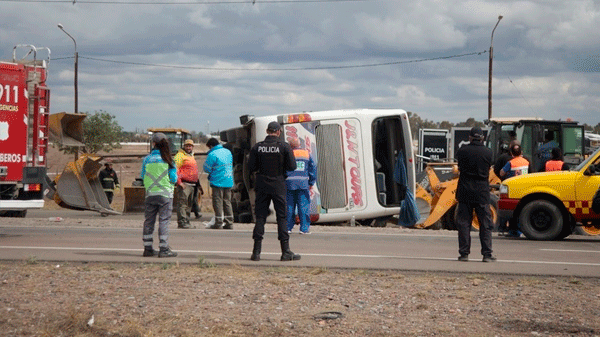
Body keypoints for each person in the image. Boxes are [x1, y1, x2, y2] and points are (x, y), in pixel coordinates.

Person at [247, 121, 300, 262]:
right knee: (281, 218)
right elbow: (292, 166)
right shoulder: (284, 146)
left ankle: (256, 252)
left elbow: (251, 167)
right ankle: (285, 251)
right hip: (278, 185)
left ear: (267, 131)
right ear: (278, 132)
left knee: (260, 218)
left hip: (262, 184)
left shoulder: (258, 147)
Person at [455, 126, 496, 263]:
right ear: (482, 138)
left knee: (464, 223)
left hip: (465, 190)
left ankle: (464, 254)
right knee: (485, 223)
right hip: (482, 191)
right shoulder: (488, 153)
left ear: (470, 138)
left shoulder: (462, 151)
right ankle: (487, 254)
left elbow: (460, 167)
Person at [140, 132, 178, 258]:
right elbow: (173, 178)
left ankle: (148, 248)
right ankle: (164, 248)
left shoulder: (146, 159)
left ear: (153, 143)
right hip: (165, 195)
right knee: (164, 221)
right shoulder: (168, 159)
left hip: (150, 194)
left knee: (149, 221)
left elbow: (142, 176)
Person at [285, 137, 316, 234]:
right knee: (303, 206)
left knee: (289, 206)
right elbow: (313, 168)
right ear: (299, 145)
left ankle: (288, 228)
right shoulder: (306, 153)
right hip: (303, 184)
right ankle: (304, 229)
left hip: (289, 183)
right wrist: (311, 182)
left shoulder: (287, 154)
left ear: (290, 145)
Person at [500, 143, 531, 238]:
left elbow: (501, 173)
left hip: (513, 188)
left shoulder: (510, 163)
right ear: (521, 152)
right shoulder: (526, 161)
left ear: (511, 153)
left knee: (513, 210)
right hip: (525, 188)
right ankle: (521, 230)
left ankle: (513, 231)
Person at [203, 138, 234, 229]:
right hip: (228, 181)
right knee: (227, 202)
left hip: (217, 182)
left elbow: (206, 169)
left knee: (218, 202)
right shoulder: (228, 152)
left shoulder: (212, 154)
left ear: (211, 146)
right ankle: (229, 223)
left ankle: (218, 222)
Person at [174, 139, 199, 229]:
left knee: (189, 205)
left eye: (190, 146)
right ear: (184, 146)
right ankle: (182, 222)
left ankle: (187, 221)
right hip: (184, 184)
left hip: (192, 184)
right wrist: (179, 182)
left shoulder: (191, 156)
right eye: (187, 146)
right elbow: (174, 169)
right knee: (182, 204)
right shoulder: (179, 156)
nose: (189, 147)